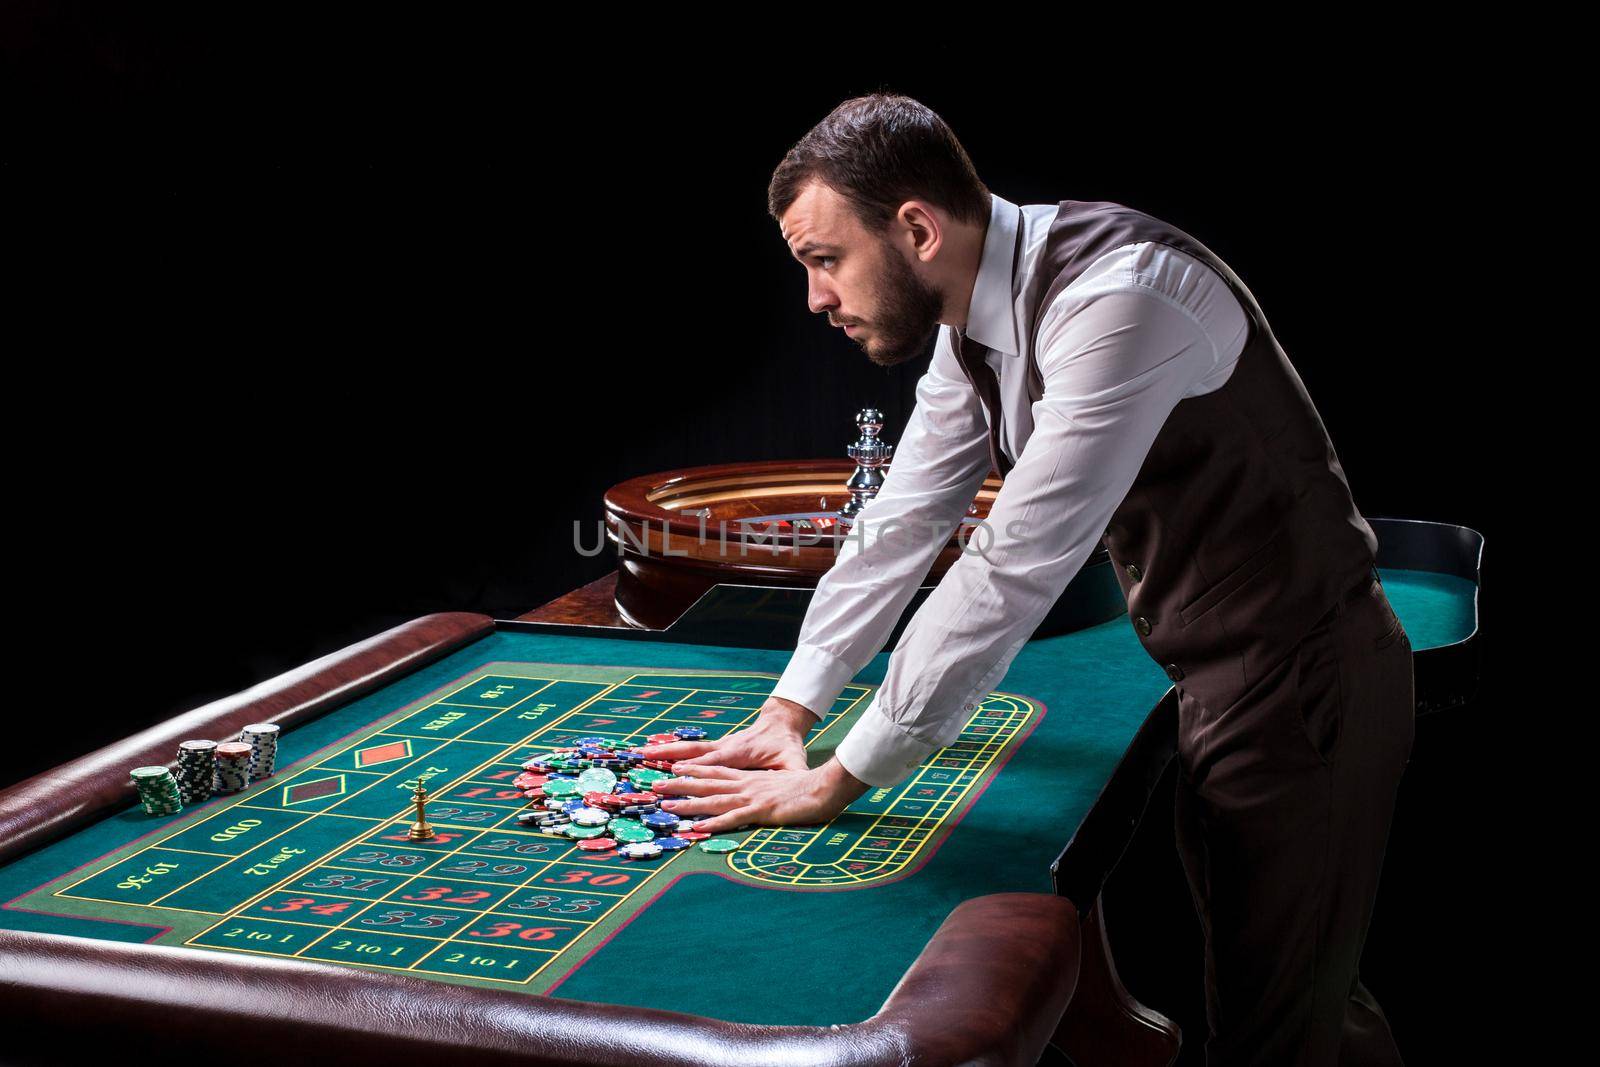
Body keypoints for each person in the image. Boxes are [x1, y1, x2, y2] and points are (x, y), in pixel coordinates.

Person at [642, 93, 1413, 1066]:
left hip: (1309, 684)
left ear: (916, 227)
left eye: (823, 259)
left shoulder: (1122, 298)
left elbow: (1010, 567)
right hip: (1225, 683)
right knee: (1299, 997)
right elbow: (902, 523)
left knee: (1277, 1030)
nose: (815, 298)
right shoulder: (973, 324)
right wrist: (791, 709)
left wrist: (842, 777)